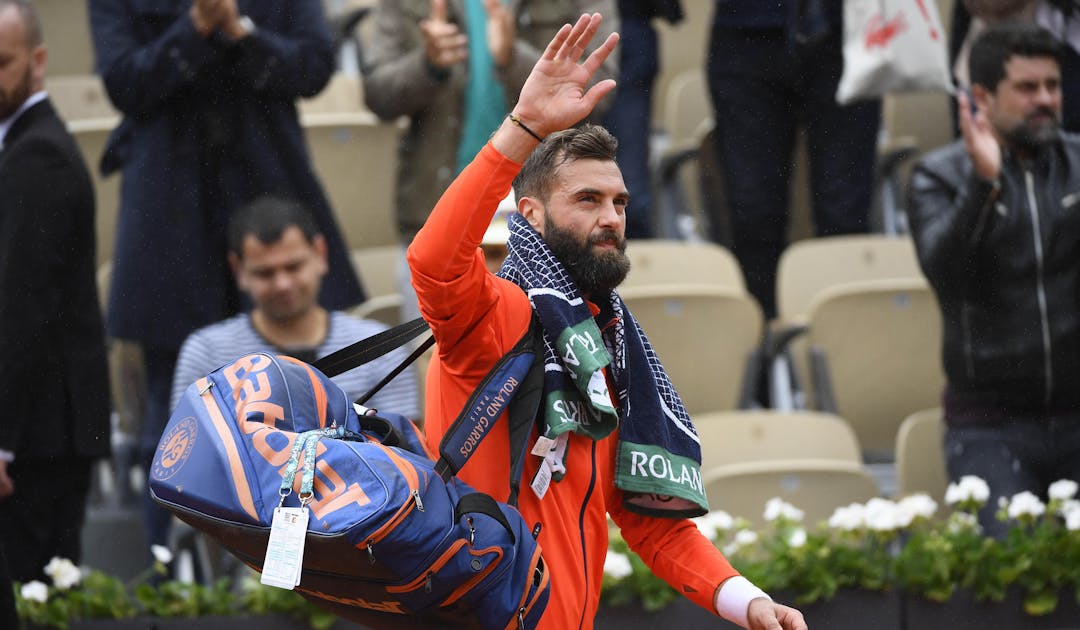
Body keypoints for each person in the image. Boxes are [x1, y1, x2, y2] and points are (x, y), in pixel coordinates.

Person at [408, 12, 807, 629]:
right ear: (531, 216)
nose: (612, 218)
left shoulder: (609, 346)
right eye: (587, 200)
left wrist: (745, 600)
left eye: (619, 201)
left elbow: (652, 523)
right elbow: (433, 260)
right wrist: (523, 130)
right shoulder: (494, 314)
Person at [88, 0, 365, 552]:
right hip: (167, 217)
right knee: (170, 434)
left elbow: (312, 67)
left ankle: (308, 572)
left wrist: (240, 32)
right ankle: (171, 582)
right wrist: (195, 28)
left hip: (267, 191)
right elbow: (124, 82)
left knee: (304, 422)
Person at [908, 22, 1080, 537]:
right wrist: (984, 185)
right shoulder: (936, 177)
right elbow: (944, 268)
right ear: (981, 96)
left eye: (1053, 86)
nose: (1046, 99)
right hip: (989, 425)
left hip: (1078, 414)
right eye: (1028, 88)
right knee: (1011, 579)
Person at [362, 0, 618, 318]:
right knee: (439, 360)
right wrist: (427, 66)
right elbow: (377, 94)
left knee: (553, 361)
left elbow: (598, 92)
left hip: (547, 226)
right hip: (436, 217)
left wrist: (513, 60)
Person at [0, 0, 111, 582]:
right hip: (43, 432)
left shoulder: (35, 155)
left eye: (1, 62)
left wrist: (3, 442)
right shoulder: (22, 148)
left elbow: (24, 312)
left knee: (33, 598)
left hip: (39, 441)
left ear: (38, 61)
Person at [705, 0, 881, 318]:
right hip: (746, 29)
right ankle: (765, 351)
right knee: (753, 214)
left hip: (849, 27)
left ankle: (846, 346)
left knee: (844, 214)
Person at [171, 196, 419, 418]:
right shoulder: (206, 354)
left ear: (320, 254)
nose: (282, 284)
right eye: (265, 273)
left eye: (293, 267)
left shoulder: (378, 347)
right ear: (238, 270)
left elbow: (403, 454)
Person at [603, 0, 683, 239]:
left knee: (628, 197)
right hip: (551, 30)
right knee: (551, 192)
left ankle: (636, 272)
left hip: (628, 30)